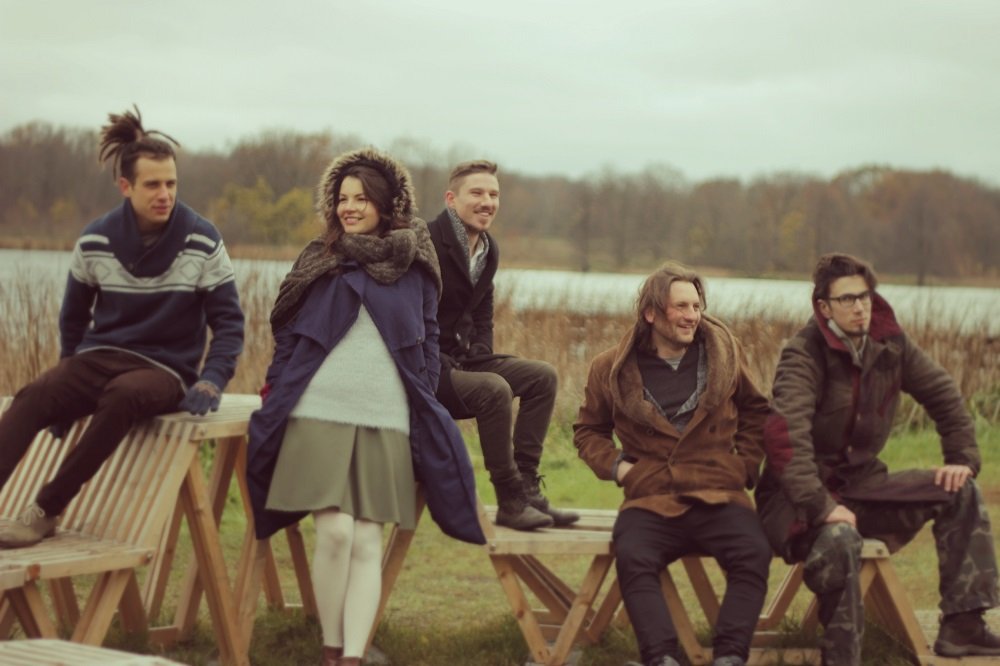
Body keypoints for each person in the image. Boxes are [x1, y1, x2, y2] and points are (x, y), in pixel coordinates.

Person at [245, 148, 485, 666]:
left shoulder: (416, 266)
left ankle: (352, 658)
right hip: (319, 409)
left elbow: (429, 337)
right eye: (342, 198)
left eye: (361, 199)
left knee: (367, 542)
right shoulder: (320, 257)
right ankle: (332, 650)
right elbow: (287, 332)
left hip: (385, 416)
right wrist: (274, 388)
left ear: (386, 204)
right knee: (334, 533)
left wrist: (423, 392)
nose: (349, 207)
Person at [0, 106, 244, 549]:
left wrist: (212, 378)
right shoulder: (95, 240)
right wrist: (65, 381)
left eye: (171, 183)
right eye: (153, 185)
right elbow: (73, 318)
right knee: (34, 395)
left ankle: (45, 511)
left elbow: (229, 322)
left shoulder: (203, 240)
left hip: (165, 370)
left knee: (124, 394)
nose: (164, 194)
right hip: (98, 357)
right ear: (125, 186)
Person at [756, 252, 1000, 664]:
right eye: (847, 299)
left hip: (865, 488)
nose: (860, 307)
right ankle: (842, 657)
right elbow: (785, 437)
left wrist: (961, 456)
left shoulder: (891, 344)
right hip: (797, 502)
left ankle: (964, 627)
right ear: (824, 307)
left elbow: (944, 395)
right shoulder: (804, 354)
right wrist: (822, 507)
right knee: (840, 540)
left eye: (865, 296)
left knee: (960, 491)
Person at [574, 262, 771, 666]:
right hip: (652, 494)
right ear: (651, 313)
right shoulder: (611, 368)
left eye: (696, 306)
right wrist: (621, 469)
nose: (692, 316)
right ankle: (661, 657)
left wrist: (745, 467)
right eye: (680, 307)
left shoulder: (725, 354)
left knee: (753, 552)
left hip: (718, 489)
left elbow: (757, 412)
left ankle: (730, 656)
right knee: (633, 555)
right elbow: (589, 431)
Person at [427, 159, 577, 531]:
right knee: (494, 389)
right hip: (426, 368)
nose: (487, 202)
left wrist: (481, 352)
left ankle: (527, 490)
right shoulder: (428, 241)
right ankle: (509, 500)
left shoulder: (487, 250)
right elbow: (411, 315)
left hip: (462, 360)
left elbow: (482, 314)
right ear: (451, 199)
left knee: (542, 376)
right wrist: (441, 361)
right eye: (477, 193)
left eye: (493, 195)